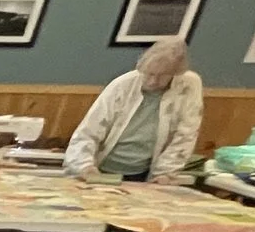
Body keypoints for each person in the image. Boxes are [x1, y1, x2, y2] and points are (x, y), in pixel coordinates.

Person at [64, 37, 205, 181]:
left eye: (162, 76)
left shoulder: (189, 85)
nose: (153, 81)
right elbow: (88, 132)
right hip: (101, 166)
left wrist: (166, 173)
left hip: (143, 171)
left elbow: (186, 134)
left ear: (176, 73)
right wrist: (85, 166)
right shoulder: (122, 85)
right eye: (150, 74)